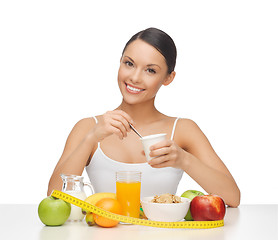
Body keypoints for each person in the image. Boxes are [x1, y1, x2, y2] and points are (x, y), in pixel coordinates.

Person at [47, 27, 240, 207]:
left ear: (168, 78)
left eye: (150, 70)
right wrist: (91, 138)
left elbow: (233, 198)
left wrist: (184, 160)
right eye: (129, 63)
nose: (135, 78)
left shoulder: (183, 129)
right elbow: (53, 198)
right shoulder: (89, 126)